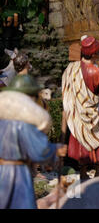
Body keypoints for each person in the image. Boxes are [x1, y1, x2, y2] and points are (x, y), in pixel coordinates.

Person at [0, 75, 67, 208]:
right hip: (17, 174)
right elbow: (39, 151)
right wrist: (56, 150)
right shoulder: (23, 126)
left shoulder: (3, 123)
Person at [61, 36, 99, 180]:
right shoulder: (97, 72)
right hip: (92, 111)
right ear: (94, 54)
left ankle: (82, 171)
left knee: (80, 140)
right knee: (98, 137)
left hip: (78, 113)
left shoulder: (71, 69)